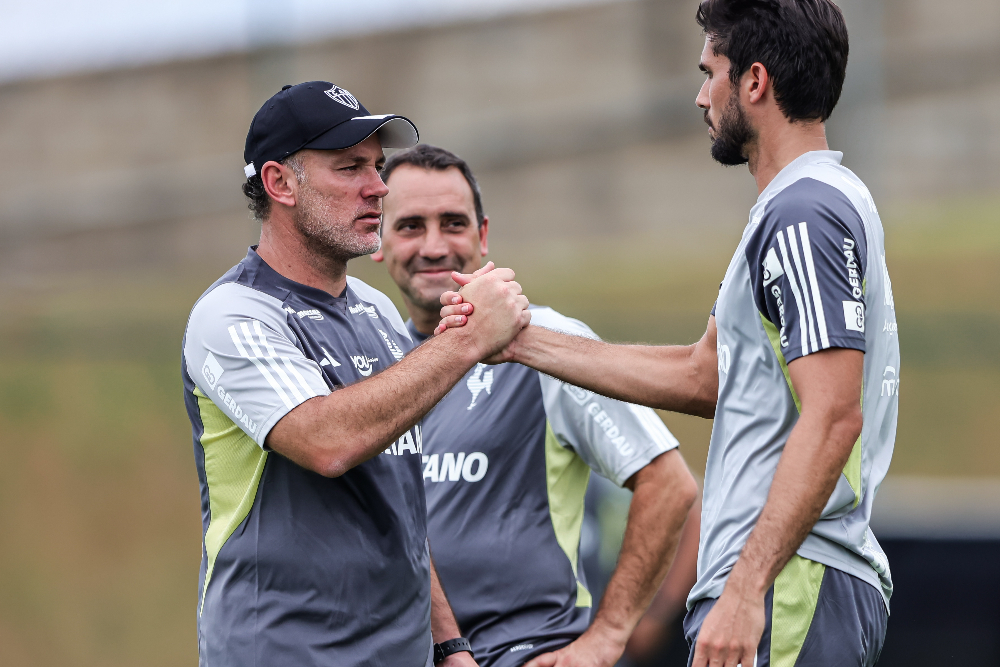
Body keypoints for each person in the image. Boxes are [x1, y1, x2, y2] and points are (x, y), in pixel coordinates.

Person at [438, 1, 899, 665]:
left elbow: (833, 415)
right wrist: (517, 339)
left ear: (755, 83)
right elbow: (702, 374)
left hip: (789, 583)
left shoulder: (804, 211)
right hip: (784, 583)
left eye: (711, 72)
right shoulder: (799, 209)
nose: (699, 94)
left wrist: (745, 587)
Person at [181, 81, 531, 667]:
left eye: (377, 166)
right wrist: (468, 341)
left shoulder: (377, 311)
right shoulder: (233, 315)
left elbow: (403, 507)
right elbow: (328, 441)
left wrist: (449, 643)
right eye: (350, 168)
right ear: (279, 183)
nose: (379, 187)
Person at [371, 144, 699, 667]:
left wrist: (608, 638)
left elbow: (670, 483)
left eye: (453, 223)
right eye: (411, 226)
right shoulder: (372, 362)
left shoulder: (547, 343)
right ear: (378, 242)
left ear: (482, 237)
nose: (433, 246)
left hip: (526, 651)